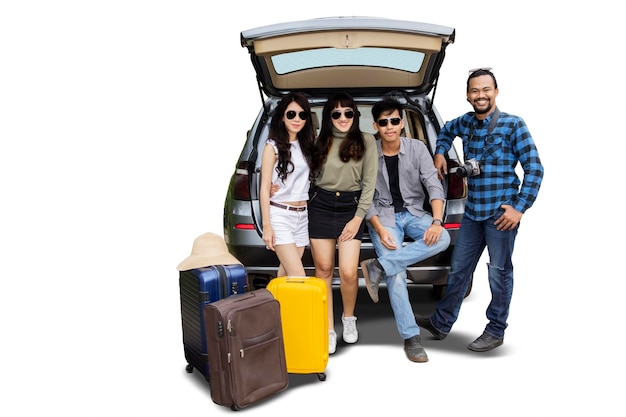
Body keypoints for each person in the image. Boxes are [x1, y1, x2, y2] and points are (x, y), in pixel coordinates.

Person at [416, 68, 544, 352]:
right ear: (467, 95)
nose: (480, 95)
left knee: (499, 273)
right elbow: (447, 129)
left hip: (501, 216)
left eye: (486, 89)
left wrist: (519, 208)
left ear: (496, 92)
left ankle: (496, 330)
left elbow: (534, 169)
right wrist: (440, 151)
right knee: (459, 271)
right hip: (473, 213)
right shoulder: (466, 123)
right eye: (474, 91)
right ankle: (440, 323)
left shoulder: (513, 125)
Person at [359, 98, 451, 363]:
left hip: (414, 213)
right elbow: (364, 197)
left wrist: (435, 222)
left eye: (395, 121)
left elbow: (433, 186)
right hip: (383, 216)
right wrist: (377, 227)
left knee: (443, 237)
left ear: (402, 123)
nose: (390, 127)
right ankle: (411, 337)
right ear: (376, 126)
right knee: (396, 274)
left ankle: (377, 266)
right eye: (384, 122)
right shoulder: (369, 153)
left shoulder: (418, 148)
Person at [308, 92, 378, 354]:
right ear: (329, 117)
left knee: (348, 271)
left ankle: (349, 320)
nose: (342, 118)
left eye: (348, 113)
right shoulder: (318, 142)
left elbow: (369, 183)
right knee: (324, 269)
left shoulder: (367, 141)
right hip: (320, 205)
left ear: (355, 115)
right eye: (336, 114)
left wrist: (357, 218)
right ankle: (327, 329)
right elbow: (304, 175)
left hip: (351, 208)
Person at [260, 92, 316, 277]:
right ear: (282, 116)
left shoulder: (307, 145)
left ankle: (274, 305)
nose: (297, 119)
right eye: (291, 114)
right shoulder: (272, 146)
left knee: (285, 275)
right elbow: (264, 188)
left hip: (302, 217)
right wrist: (267, 226)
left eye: (302, 115)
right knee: (298, 276)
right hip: (280, 216)